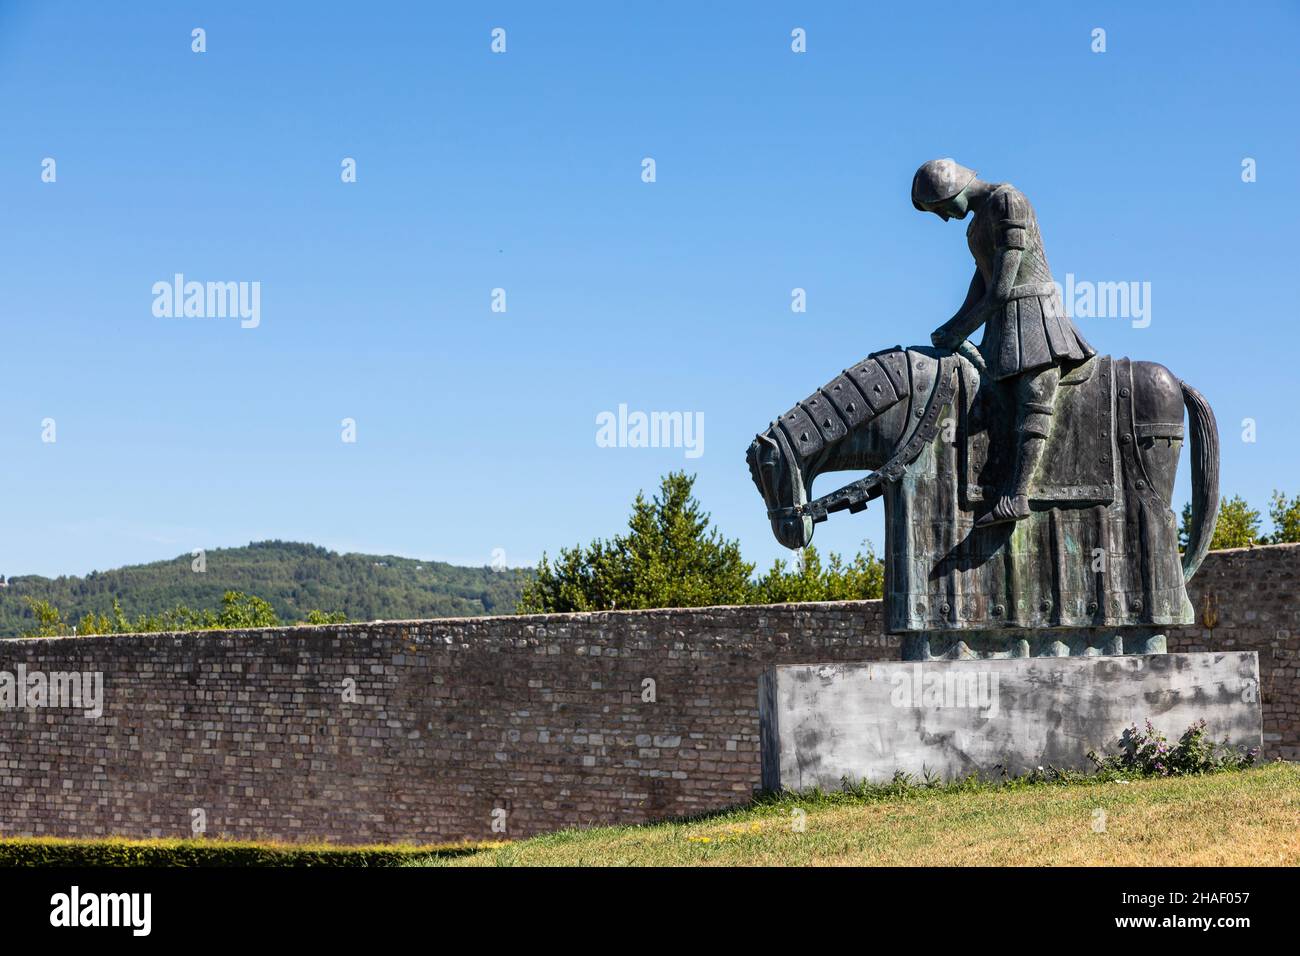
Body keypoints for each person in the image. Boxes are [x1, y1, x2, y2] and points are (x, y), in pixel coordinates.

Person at [912, 158, 1095, 526]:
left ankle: (1018, 494)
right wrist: (952, 326)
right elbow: (982, 280)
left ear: (951, 190)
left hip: (1034, 317)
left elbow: (1001, 288)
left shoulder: (1008, 201)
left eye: (941, 209)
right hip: (1003, 324)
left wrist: (961, 328)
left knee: (1033, 398)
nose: (945, 217)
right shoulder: (977, 224)